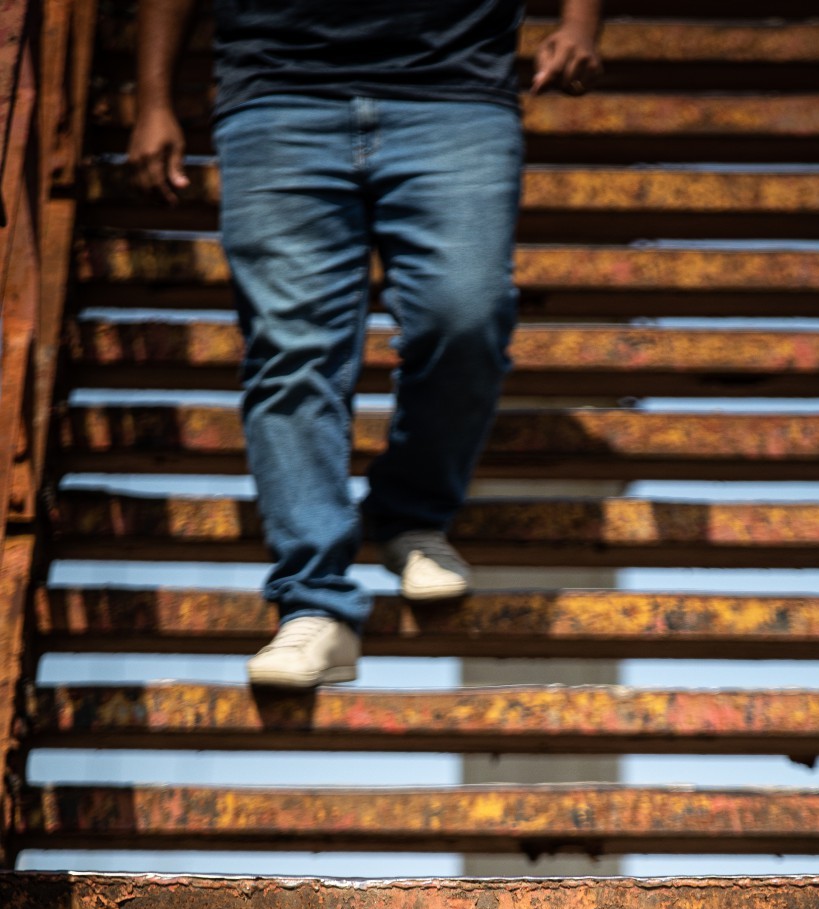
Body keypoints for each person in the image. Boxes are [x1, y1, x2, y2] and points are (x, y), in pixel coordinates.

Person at [129, 0, 603, 688]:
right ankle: (313, 603)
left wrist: (582, 21)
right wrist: (153, 99)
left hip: (454, 90)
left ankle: (408, 519)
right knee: (292, 351)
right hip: (277, 92)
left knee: (465, 318)